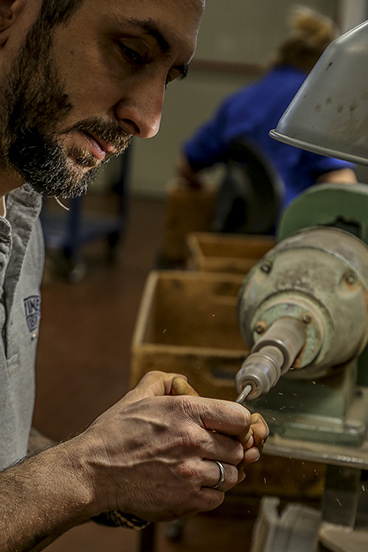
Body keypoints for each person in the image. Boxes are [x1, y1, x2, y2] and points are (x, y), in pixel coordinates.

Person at [0, 1, 269, 550]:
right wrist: (92, 471)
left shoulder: (20, 199)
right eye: (131, 52)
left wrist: (126, 464)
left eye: (168, 76)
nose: (148, 120)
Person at [177, 6, 357, 218]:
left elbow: (186, 166)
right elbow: (339, 182)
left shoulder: (238, 101)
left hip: (236, 227)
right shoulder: (317, 104)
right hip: (288, 233)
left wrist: (203, 195)